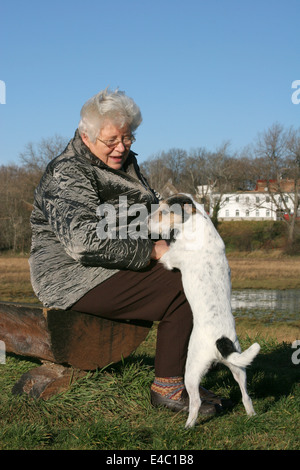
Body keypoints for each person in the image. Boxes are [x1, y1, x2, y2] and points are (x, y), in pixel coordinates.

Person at [29, 88, 225, 415]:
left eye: (128, 138)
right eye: (112, 141)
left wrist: (181, 215)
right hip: (68, 276)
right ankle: (168, 389)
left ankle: (184, 377)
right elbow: (82, 242)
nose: (121, 147)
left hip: (110, 267)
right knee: (182, 282)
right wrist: (152, 251)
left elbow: (145, 216)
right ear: (86, 136)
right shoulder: (69, 172)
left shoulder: (125, 165)